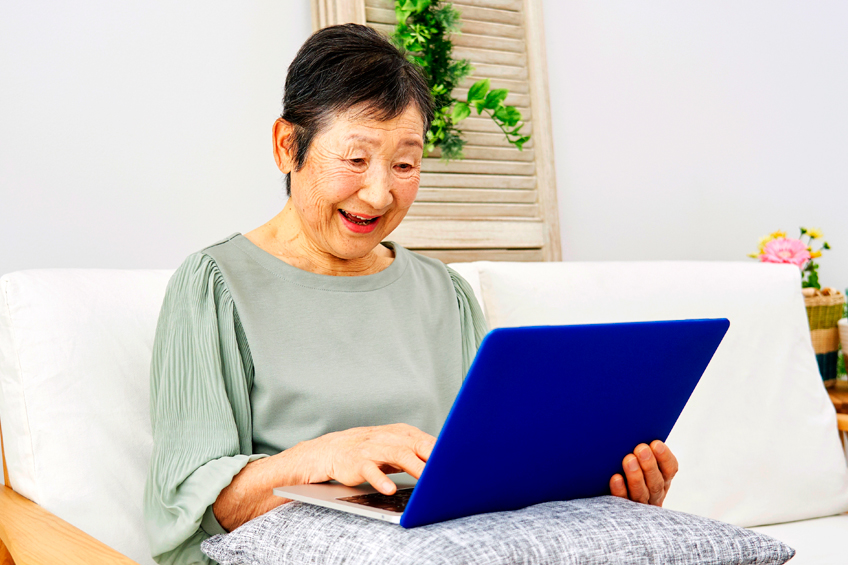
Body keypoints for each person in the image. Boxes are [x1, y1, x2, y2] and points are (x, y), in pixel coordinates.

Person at [143, 23, 679, 565]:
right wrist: (325, 455)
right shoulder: (215, 284)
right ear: (288, 146)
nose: (379, 194)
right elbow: (195, 508)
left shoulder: (443, 292)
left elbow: (489, 471)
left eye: (404, 164)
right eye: (355, 159)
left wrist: (608, 490)